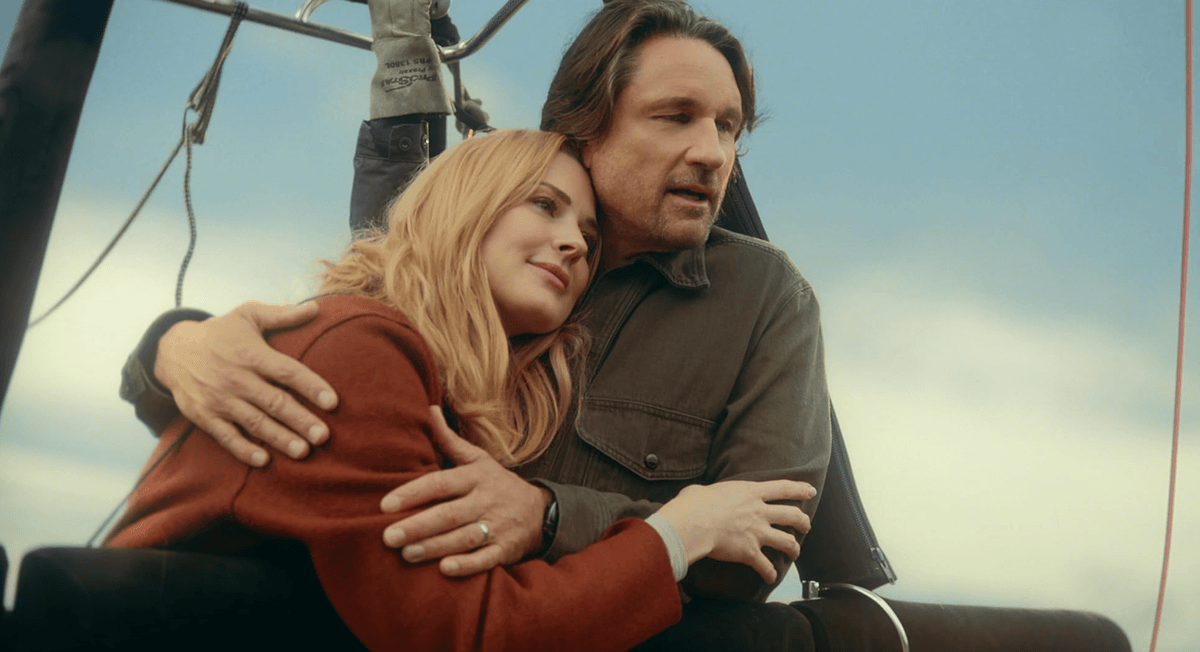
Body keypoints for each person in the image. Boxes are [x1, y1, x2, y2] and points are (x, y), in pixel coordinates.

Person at [107, 129, 816, 652]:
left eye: (589, 239)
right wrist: (680, 531)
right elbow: (470, 636)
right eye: (544, 204)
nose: (573, 242)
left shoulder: (437, 395)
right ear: (465, 206)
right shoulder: (362, 347)